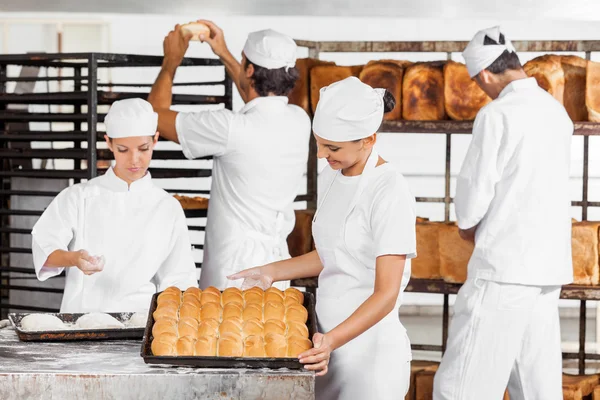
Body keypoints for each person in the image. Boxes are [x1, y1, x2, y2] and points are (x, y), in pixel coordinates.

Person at [230, 77, 416, 400]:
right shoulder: (334, 173)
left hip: (369, 359)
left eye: (332, 148)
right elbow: (333, 253)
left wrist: (333, 340)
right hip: (324, 346)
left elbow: (386, 294)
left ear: (368, 139)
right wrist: (271, 271)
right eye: (319, 143)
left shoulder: (389, 191)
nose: (321, 155)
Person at [433, 27, 573, 400]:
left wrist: (467, 224)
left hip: (504, 269)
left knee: (460, 386)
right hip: (546, 270)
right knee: (536, 386)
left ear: (483, 75)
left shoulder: (497, 114)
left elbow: (474, 194)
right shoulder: (556, 113)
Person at [148, 22, 311, 291]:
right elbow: (256, 93)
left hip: (234, 272)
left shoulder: (230, 129)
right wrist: (222, 51)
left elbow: (153, 115)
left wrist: (171, 61)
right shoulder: (299, 120)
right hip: (277, 268)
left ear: (249, 70)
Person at [31, 98, 198, 313]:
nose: (134, 160)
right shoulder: (78, 197)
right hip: (81, 322)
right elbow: (45, 247)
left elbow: (179, 280)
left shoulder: (167, 207)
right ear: (108, 143)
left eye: (143, 148)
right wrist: (74, 258)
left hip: (140, 326)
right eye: (123, 149)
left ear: (155, 140)